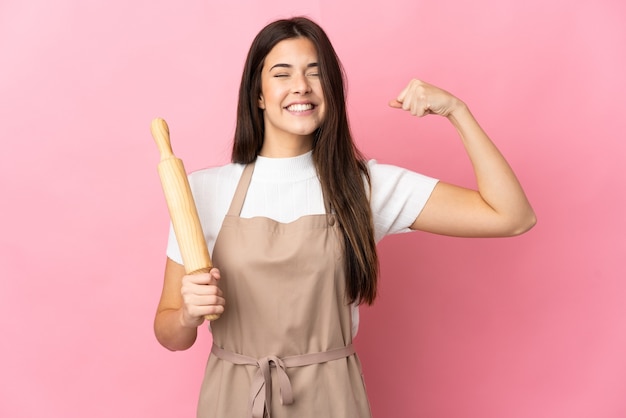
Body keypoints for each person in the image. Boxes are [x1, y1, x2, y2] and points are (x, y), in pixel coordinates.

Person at [153, 16, 536, 418]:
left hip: (331, 401)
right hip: (231, 401)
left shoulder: (364, 188)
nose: (301, 85)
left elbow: (512, 216)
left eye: (315, 73)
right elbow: (170, 335)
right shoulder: (202, 191)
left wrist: (457, 111)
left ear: (331, 91)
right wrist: (187, 314)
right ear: (259, 95)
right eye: (282, 73)